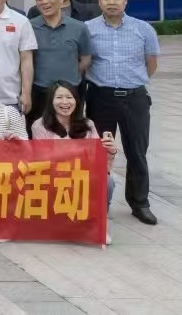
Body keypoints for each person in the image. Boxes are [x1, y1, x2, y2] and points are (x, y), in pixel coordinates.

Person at [85, 0, 160, 226]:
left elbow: (151, 63)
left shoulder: (143, 29)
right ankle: (96, 201)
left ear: (125, 1)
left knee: (137, 151)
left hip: (134, 98)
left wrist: (133, 83)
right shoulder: (88, 29)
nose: (112, 2)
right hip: (101, 97)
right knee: (98, 151)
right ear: (99, 2)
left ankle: (140, 203)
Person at [32, 80, 119, 242]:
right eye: (59, 98)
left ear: (76, 101)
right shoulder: (40, 126)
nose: (65, 102)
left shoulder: (88, 124)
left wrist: (111, 150)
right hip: (55, 176)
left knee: (107, 181)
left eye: (69, 97)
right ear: (51, 102)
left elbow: (99, 159)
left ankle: (97, 223)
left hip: (83, 175)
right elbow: (41, 159)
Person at [27, 0, 92, 132]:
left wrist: (68, 76)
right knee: (37, 136)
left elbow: (85, 59)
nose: (44, 2)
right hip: (39, 93)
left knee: (71, 135)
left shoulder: (79, 28)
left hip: (70, 94)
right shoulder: (28, 26)